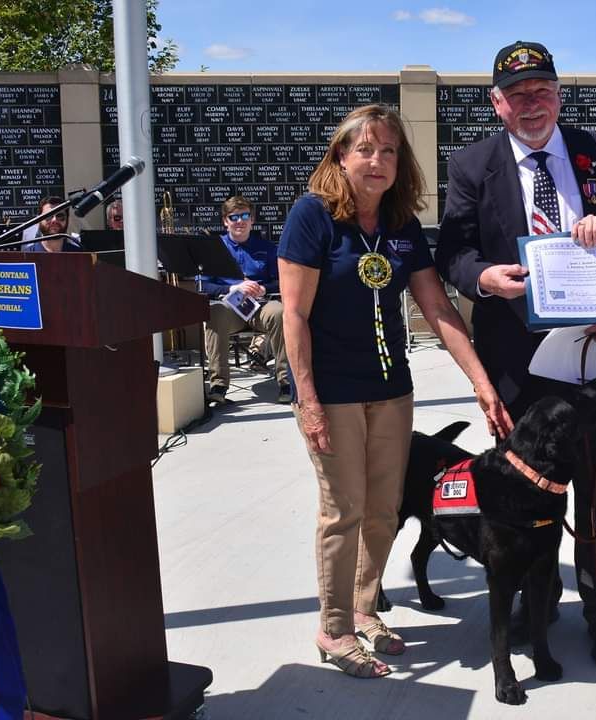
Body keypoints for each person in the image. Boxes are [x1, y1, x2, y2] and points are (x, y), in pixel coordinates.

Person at [435, 40, 596, 668]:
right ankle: (540, 603)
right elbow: (454, 251)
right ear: (497, 103)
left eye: (543, 90)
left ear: (559, 93)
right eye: (518, 94)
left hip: (592, 353)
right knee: (523, 488)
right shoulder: (473, 165)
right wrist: (483, 280)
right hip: (514, 361)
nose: (533, 104)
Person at [278, 104, 512, 679]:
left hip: (391, 390)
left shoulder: (402, 225)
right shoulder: (312, 218)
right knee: (343, 510)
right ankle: (333, 629)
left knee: (383, 509)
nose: (378, 161)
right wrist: (305, 398)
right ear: (341, 155)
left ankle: (364, 610)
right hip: (330, 391)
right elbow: (294, 316)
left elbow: (436, 308)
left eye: (389, 151)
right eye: (365, 149)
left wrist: (480, 382)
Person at [198, 196, 291, 404]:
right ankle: (218, 385)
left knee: (280, 313)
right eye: (234, 217)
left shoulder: (267, 248)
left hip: (261, 305)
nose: (239, 221)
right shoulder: (213, 248)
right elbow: (202, 285)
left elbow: (283, 281)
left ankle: (286, 382)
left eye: (244, 216)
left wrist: (263, 287)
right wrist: (233, 287)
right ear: (225, 221)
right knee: (214, 313)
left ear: (252, 220)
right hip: (230, 307)